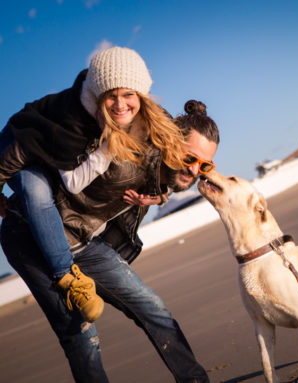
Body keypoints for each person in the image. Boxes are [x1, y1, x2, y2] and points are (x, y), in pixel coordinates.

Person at [1, 99, 219, 382]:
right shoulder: (125, 147)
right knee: (81, 332)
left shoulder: (166, 175)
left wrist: (162, 195)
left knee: (151, 306)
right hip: (30, 233)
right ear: (170, 141)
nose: (193, 170)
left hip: (83, 241)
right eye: (189, 159)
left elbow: (170, 181)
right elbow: (34, 146)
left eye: (204, 166)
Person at [0, 46, 185, 322]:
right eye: (112, 96)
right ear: (99, 97)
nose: (121, 104)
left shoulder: (145, 115)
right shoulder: (72, 122)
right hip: (21, 146)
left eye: (128, 95)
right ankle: (67, 276)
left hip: (50, 154)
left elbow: (172, 158)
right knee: (37, 190)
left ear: (141, 94)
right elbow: (20, 154)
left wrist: (162, 194)